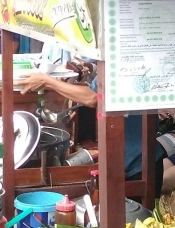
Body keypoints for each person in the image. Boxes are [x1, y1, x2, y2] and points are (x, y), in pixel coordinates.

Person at [15, 72, 166, 185]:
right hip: (128, 156)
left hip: (138, 160)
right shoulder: (115, 60)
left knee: (139, 220)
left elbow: (93, 98)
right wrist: (48, 82)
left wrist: (48, 81)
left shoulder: (122, 60)